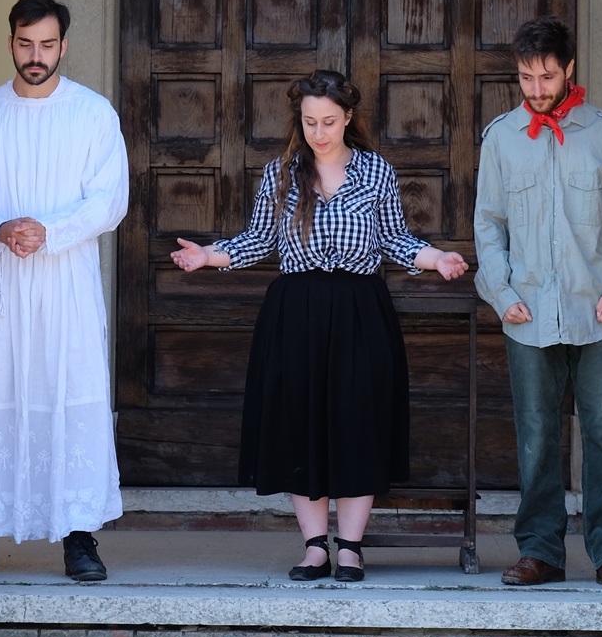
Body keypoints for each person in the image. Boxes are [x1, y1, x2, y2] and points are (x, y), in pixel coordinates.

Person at [171, 70, 468, 582]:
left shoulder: (375, 172)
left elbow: (396, 240)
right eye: (309, 122)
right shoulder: (281, 173)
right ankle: (314, 547)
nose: (319, 132)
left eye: (329, 121)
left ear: (348, 118)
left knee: (357, 421)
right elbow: (256, 240)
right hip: (296, 310)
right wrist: (208, 256)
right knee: (299, 424)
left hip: (359, 309)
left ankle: (350, 547)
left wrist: (437, 258)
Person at [0, 0, 129, 583]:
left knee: (68, 394)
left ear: (64, 45)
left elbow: (108, 199)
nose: (35, 56)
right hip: (0, 283)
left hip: (65, 282)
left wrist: (50, 231)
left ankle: (79, 538)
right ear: (11, 42)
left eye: (47, 45)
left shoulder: (94, 115)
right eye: (25, 44)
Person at [473, 16, 602, 591]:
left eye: (547, 76)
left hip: (595, 310)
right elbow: (489, 222)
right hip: (526, 313)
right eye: (527, 77)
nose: (537, 88)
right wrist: (500, 292)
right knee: (537, 434)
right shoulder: (500, 138)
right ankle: (541, 551)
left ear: (568, 69)